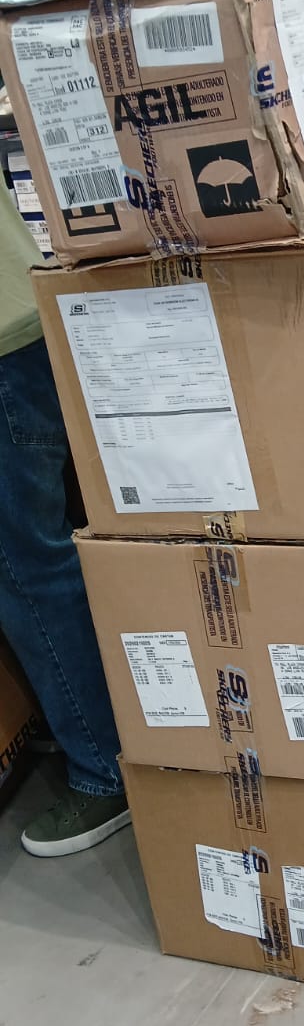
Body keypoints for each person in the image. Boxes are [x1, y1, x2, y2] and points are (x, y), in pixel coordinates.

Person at [0, 174, 129, 856]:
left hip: (4, 350)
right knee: (43, 558)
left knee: (27, 573)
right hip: (22, 315)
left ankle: (106, 768)